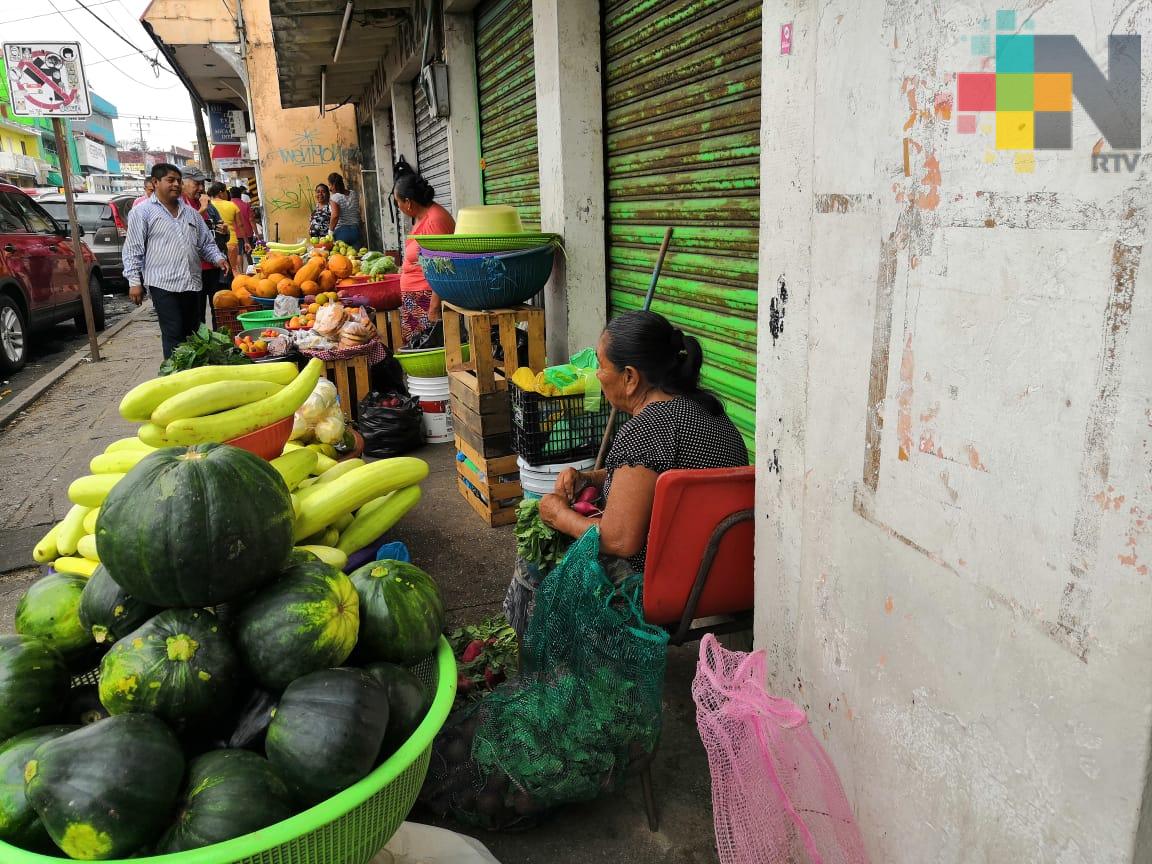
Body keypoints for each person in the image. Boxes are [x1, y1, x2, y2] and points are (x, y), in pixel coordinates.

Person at [503, 311, 749, 633]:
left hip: (663, 585)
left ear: (630, 377)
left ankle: (521, 640)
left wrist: (556, 515)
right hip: (723, 578)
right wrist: (591, 478)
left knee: (539, 543)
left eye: (601, 367)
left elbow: (620, 540)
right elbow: (660, 475)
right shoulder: (708, 411)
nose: (597, 375)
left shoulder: (645, 429)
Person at [122, 163, 229, 359]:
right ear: (155, 182)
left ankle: (193, 374)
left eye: (179, 181)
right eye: (170, 180)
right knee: (174, 333)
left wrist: (218, 258)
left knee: (194, 332)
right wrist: (134, 282)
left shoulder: (190, 213)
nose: (176, 185)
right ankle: (175, 377)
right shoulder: (142, 212)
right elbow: (133, 249)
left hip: (192, 282)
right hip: (163, 284)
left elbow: (205, 243)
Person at [393, 169, 454, 342]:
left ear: (409, 202)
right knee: (417, 347)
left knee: (429, 349)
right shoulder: (422, 217)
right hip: (416, 298)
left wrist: (434, 308)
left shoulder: (435, 221)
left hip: (426, 300)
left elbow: (443, 267)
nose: (398, 207)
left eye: (398, 202)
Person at [208, 182, 241, 276]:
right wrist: (245, 240)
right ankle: (237, 288)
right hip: (232, 240)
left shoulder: (209, 206)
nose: (227, 194)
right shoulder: (231, 205)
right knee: (234, 268)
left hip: (217, 243)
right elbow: (240, 224)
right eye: (226, 191)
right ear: (220, 192)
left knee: (221, 271)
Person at [327, 172, 362, 248]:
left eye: (329, 185)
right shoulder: (353, 194)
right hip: (356, 231)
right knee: (355, 256)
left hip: (342, 232)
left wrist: (330, 231)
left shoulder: (335, 198)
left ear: (333, 185)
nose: (329, 188)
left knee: (342, 258)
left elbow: (335, 215)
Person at [230, 186, 255, 265]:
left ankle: (241, 272)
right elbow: (251, 219)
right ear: (240, 194)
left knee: (239, 253)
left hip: (235, 233)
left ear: (231, 195)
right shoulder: (246, 205)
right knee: (249, 251)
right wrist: (256, 233)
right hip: (248, 232)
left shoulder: (229, 205)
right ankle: (251, 269)